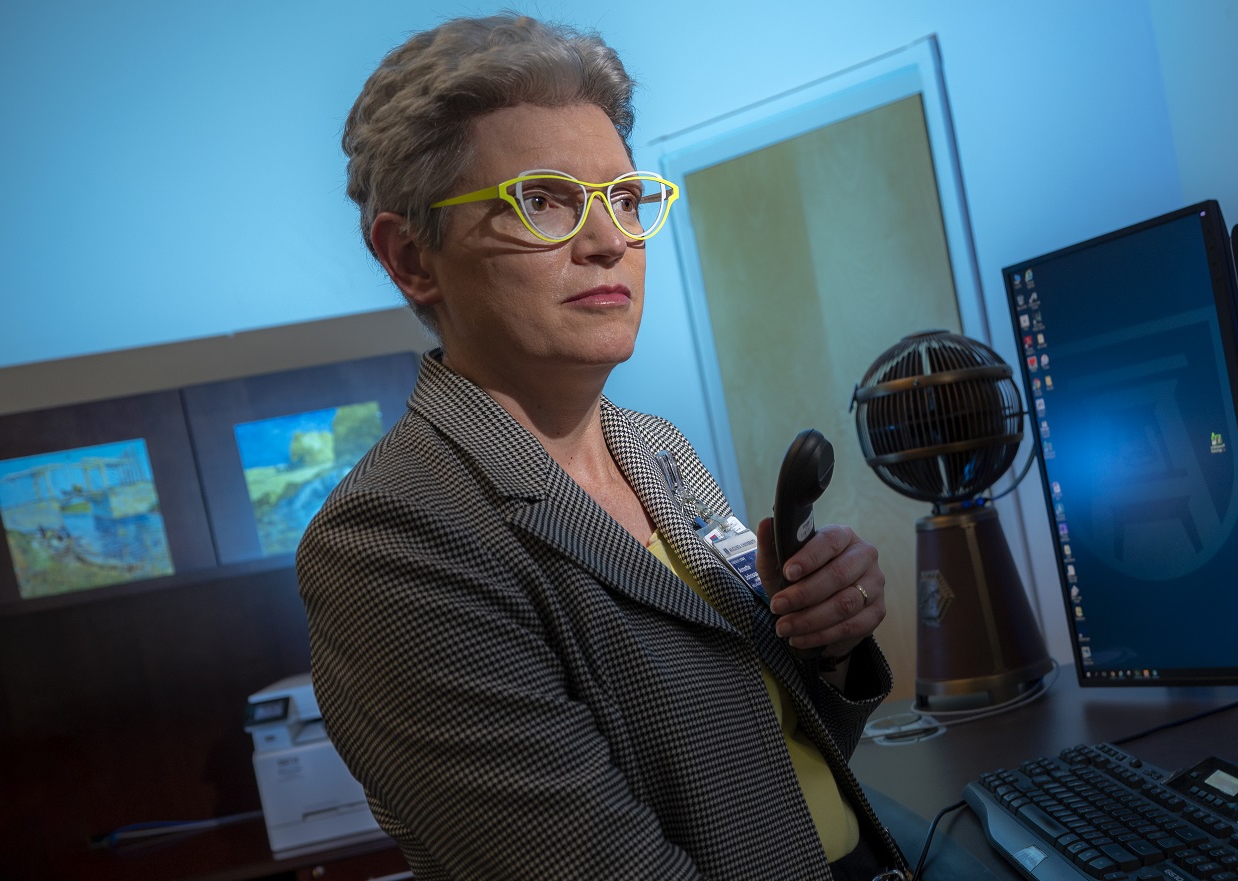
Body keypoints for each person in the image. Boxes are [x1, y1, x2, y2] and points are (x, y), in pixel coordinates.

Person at [297, 14, 905, 880]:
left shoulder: (655, 451)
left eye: (623, 198)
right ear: (410, 257)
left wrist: (828, 643)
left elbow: (769, 760)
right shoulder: (395, 542)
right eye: (541, 201)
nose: (608, 241)